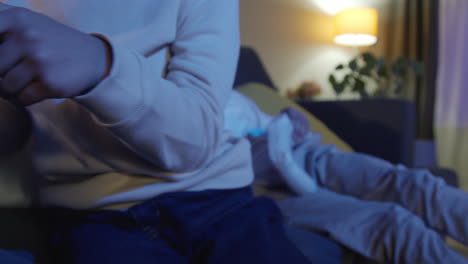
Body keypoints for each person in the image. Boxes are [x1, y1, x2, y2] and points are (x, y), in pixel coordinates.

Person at [0, 1, 315, 263]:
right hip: (88, 214)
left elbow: (193, 144)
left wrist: (99, 65)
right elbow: (14, 136)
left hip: (219, 197)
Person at [224, 90, 468, 264]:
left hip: (307, 156)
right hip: (262, 191)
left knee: (416, 186)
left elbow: (269, 124)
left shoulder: (231, 97)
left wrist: (291, 124)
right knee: (392, 224)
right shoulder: (191, 123)